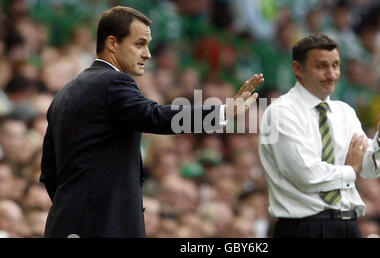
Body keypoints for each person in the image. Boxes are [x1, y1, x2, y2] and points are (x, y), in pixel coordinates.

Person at [40, 6, 263, 238]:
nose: (147, 54)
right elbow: (155, 116)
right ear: (112, 44)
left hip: (64, 224)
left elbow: (49, 173)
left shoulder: (64, 93)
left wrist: (75, 209)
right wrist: (223, 112)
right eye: (139, 44)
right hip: (103, 227)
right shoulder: (113, 83)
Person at [258, 33, 380, 238]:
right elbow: (307, 175)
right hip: (304, 229)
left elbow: (370, 169)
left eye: (335, 65)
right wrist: (351, 169)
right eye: (321, 66)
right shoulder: (280, 112)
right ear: (298, 69)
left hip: (349, 225)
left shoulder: (345, 112)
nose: (331, 74)